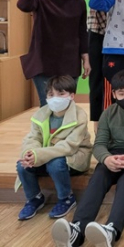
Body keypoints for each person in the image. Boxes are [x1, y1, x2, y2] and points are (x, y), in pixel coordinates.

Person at [51, 70, 124, 247]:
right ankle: (77, 229)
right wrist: (106, 159)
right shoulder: (108, 113)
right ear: (114, 94)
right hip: (113, 155)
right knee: (98, 176)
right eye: (121, 93)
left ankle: (112, 230)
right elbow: (99, 144)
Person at [16, 76, 92, 221]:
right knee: (22, 165)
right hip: (46, 156)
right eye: (51, 94)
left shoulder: (79, 115)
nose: (55, 98)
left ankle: (66, 198)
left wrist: (39, 155)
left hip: (74, 158)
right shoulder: (41, 114)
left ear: (71, 96)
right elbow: (32, 138)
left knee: (55, 163)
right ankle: (34, 198)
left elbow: (69, 146)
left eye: (61, 94)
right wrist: (30, 153)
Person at [17, 0, 89, 107]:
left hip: (70, 62)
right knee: (48, 105)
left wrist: (86, 59)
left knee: (66, 106)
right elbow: (24, 5)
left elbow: (82, 32)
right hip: (44, 61)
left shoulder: (79, 2)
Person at [73, 0, 121, 127]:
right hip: (97, 35)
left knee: (119, 81)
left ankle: (119, 125)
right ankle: (98, 126)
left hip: (120, 39)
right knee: (97, 80)